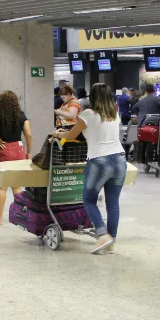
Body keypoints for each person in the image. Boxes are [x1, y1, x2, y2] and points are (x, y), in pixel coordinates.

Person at [54, 82, 126, 254]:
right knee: (113, 203)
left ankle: (102, 234)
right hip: (120, 160)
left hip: (99, 162)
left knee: (88, 200)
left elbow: (71, 135)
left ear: (93, 97)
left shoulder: (88, 114)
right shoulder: (115, 114)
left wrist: (58, 134)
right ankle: (111, 241)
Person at [0, 90, 33, 226]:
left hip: (4, 150)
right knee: (17, 187)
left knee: (1, 188)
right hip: (19, 150)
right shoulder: (21, 116)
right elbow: (28, 134)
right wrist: (29, 152)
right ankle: (20, 218)